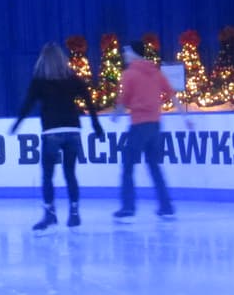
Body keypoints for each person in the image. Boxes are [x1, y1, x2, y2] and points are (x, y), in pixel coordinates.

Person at [11, 42, 104, 231]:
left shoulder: (39, 81)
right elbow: (87, 98)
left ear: (43, 60)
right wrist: (96, 124)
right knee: (70, 174)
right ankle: (74, 213)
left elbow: (28, 104)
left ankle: (50, 214)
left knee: (47, 176)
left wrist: (17, 123)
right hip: (72, 131)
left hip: (52, 132)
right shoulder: (71, 78)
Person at [113, 39, 182, 219]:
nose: (124, 54)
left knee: (128, 166)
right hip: (155, 126)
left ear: (135, 53)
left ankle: (128, 206)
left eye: (127, 51)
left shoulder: (129, 74)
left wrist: (115, 115)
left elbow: (122, 100)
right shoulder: (155, 72)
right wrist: (185, 116)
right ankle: (166, 205)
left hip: (139, 126)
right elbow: (171, 94)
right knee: (154, 166)